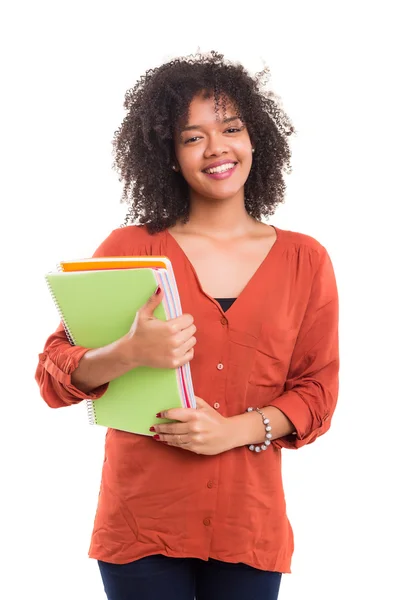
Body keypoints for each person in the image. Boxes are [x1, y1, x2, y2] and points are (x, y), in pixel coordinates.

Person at [35, 51, 339, 600]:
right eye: (192, 137)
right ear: (169, 156)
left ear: (255, 139)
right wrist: (127, 352)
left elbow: (318, 392)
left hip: (248, 525)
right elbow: (53, 374)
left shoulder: (305, 260)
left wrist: (234, 431)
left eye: (231, 128)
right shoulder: (130, 251)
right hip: (141, 524)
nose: (217, 147)